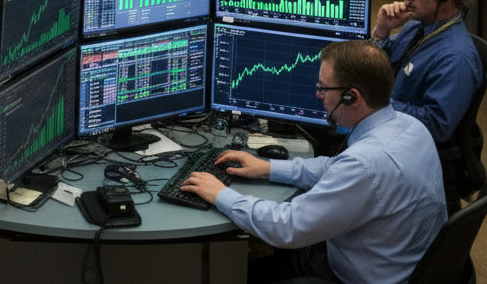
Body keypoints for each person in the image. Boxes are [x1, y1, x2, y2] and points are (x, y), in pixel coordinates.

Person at [179, 39, 447, 284]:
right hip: (395, 261)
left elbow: (287, 227)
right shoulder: (410, 127)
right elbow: (334, 168)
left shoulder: (365, 165)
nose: (318, 94)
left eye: (323, 88)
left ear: (351, 97)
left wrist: (221, 194)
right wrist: (268, 168)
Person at [373, 0, 482, 160]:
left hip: (412, 154)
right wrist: (381, 32)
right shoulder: (414, 27)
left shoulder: (456, 57)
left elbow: (437, 126)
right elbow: (378, 67)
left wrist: (376, 103)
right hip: (387, 134)